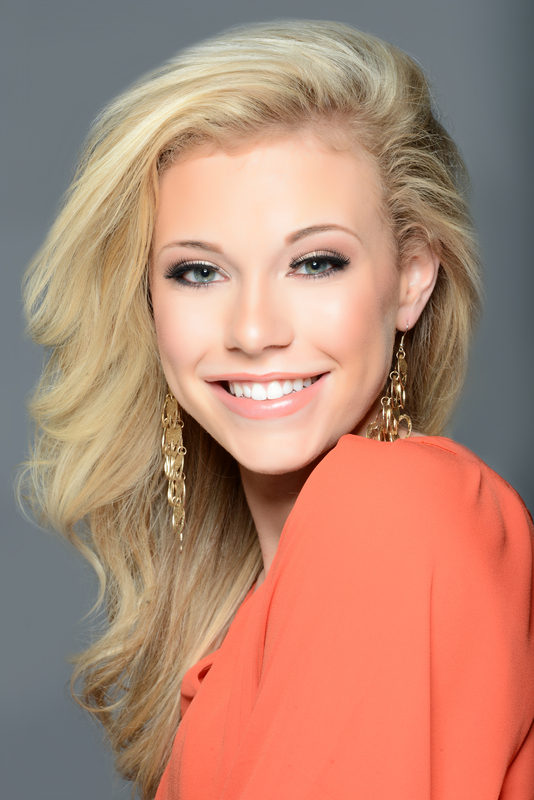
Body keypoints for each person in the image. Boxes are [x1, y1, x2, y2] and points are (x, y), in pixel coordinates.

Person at [19, 19, 534, 800]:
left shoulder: (394, 509)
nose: (254, 331)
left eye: (315, 262)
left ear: (411, 279)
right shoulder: (257, 619)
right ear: (148, 302)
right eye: (199, 272)